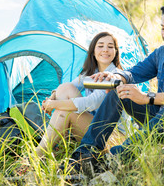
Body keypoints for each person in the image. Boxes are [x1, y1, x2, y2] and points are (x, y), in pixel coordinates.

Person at [65, 0, 164, 172]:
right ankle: (84, 156)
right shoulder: (162, 53)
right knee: (120, 93)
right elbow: (135, 72)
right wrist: (115, 76)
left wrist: (147, 98)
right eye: (163, 28)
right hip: (161, 116)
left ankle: (111, 160)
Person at [15, 32, 124, 175]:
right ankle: (51, 148)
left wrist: (54, 105)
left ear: (115, 52)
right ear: (93, 51)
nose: (105, 50)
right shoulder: (92, 73)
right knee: (65, 89)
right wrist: (52, 97)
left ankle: (38, 155)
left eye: (110, 47)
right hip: (94, 130)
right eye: (100, 46)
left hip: (112, 136)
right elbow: (68, 87)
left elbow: (92, 103)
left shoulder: (115, 75)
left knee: (64, 111)